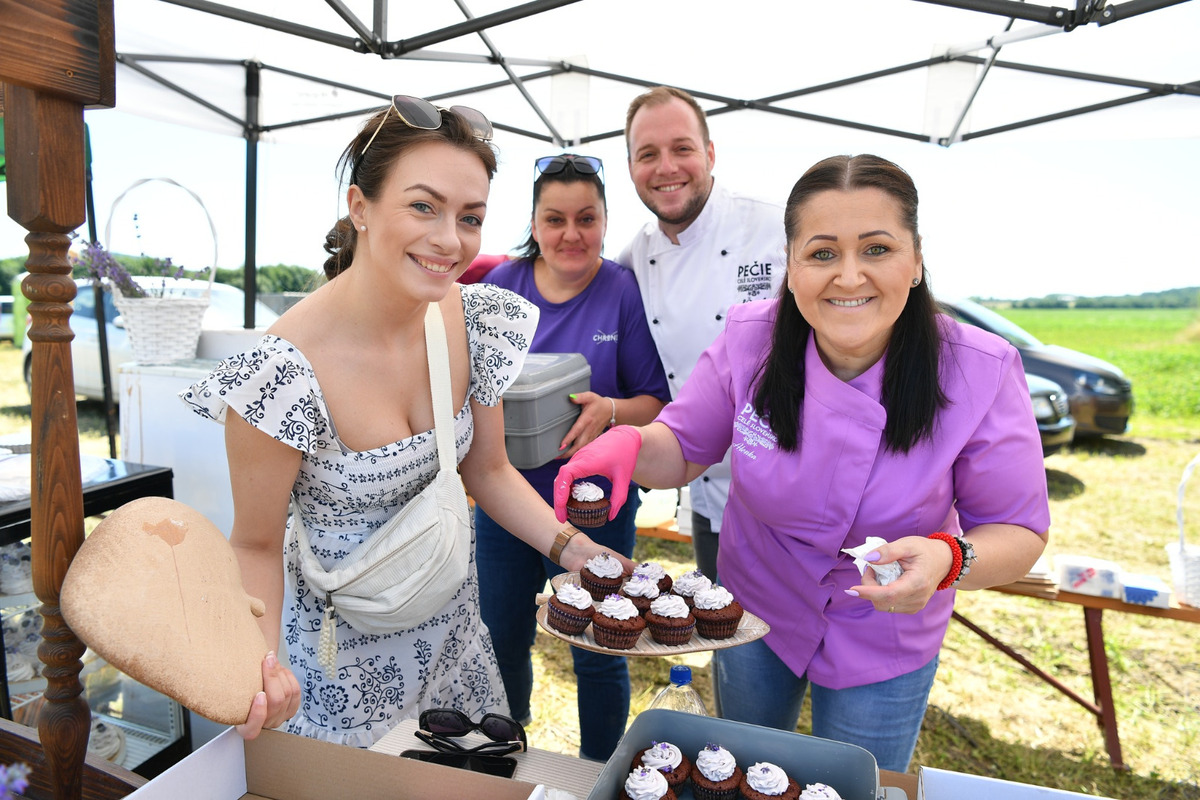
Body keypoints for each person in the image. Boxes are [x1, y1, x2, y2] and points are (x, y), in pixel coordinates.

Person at [555, 154, 1051, 772]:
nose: (848, 277)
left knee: (858, 778)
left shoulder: (980, 368)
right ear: (790, 266)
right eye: (822, 253)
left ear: (917, 260)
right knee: (739, 772)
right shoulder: (751, 338)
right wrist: (629, 442)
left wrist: (949, 560)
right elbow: (681, 447)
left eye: (876, 249)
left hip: (885, 627)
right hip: (754, 610)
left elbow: (1018, 530)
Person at [179, 96, 630, 747]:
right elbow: (252, 544)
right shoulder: (280, 373)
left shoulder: (465, 318)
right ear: (360, 207)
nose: (450, 240)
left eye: (469, 217)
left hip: (452, 643)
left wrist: (573, 549)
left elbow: (490, 469)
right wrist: (258, 666)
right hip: (339, 673)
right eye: (424, 206)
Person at [475, 153, 671, 761]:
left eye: (586, 218)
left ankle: (601, 772)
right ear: (534, 223)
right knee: (504, 636)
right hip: (506, 501)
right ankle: (510, 755)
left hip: (595, 508)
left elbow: (655, 403)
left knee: (599, 648)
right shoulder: (498, 289)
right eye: (554, 218)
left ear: (605, 222)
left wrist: (609, 411)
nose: (571, 234)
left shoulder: (620, 291)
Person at [618, 85, 787, 585]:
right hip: (709, 493)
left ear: (710, 154)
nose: (666, 167)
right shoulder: (634, 260)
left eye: (682, 149)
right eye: (647, 154)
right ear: (631, 167)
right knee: (729, 643)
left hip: (800, 495)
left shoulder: (777, 228)